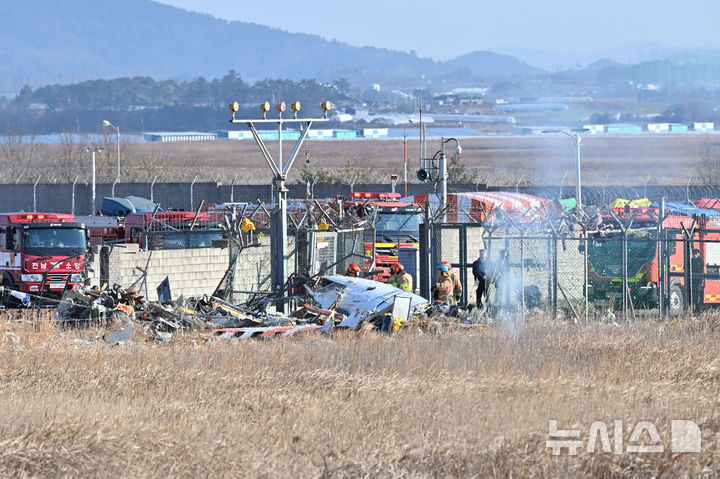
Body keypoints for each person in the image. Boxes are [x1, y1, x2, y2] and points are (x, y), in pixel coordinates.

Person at [691, 248, 704, 313]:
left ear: (698, 253)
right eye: (694, 253)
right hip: (692, 281)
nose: (695, 254)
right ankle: (692, 310)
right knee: (693, 296)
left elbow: (701, 270)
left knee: (698, 296)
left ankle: (699, 310)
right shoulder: (691, 261)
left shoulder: (700, 261)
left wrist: (702, 282)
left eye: (696, 253)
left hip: (698, 281)